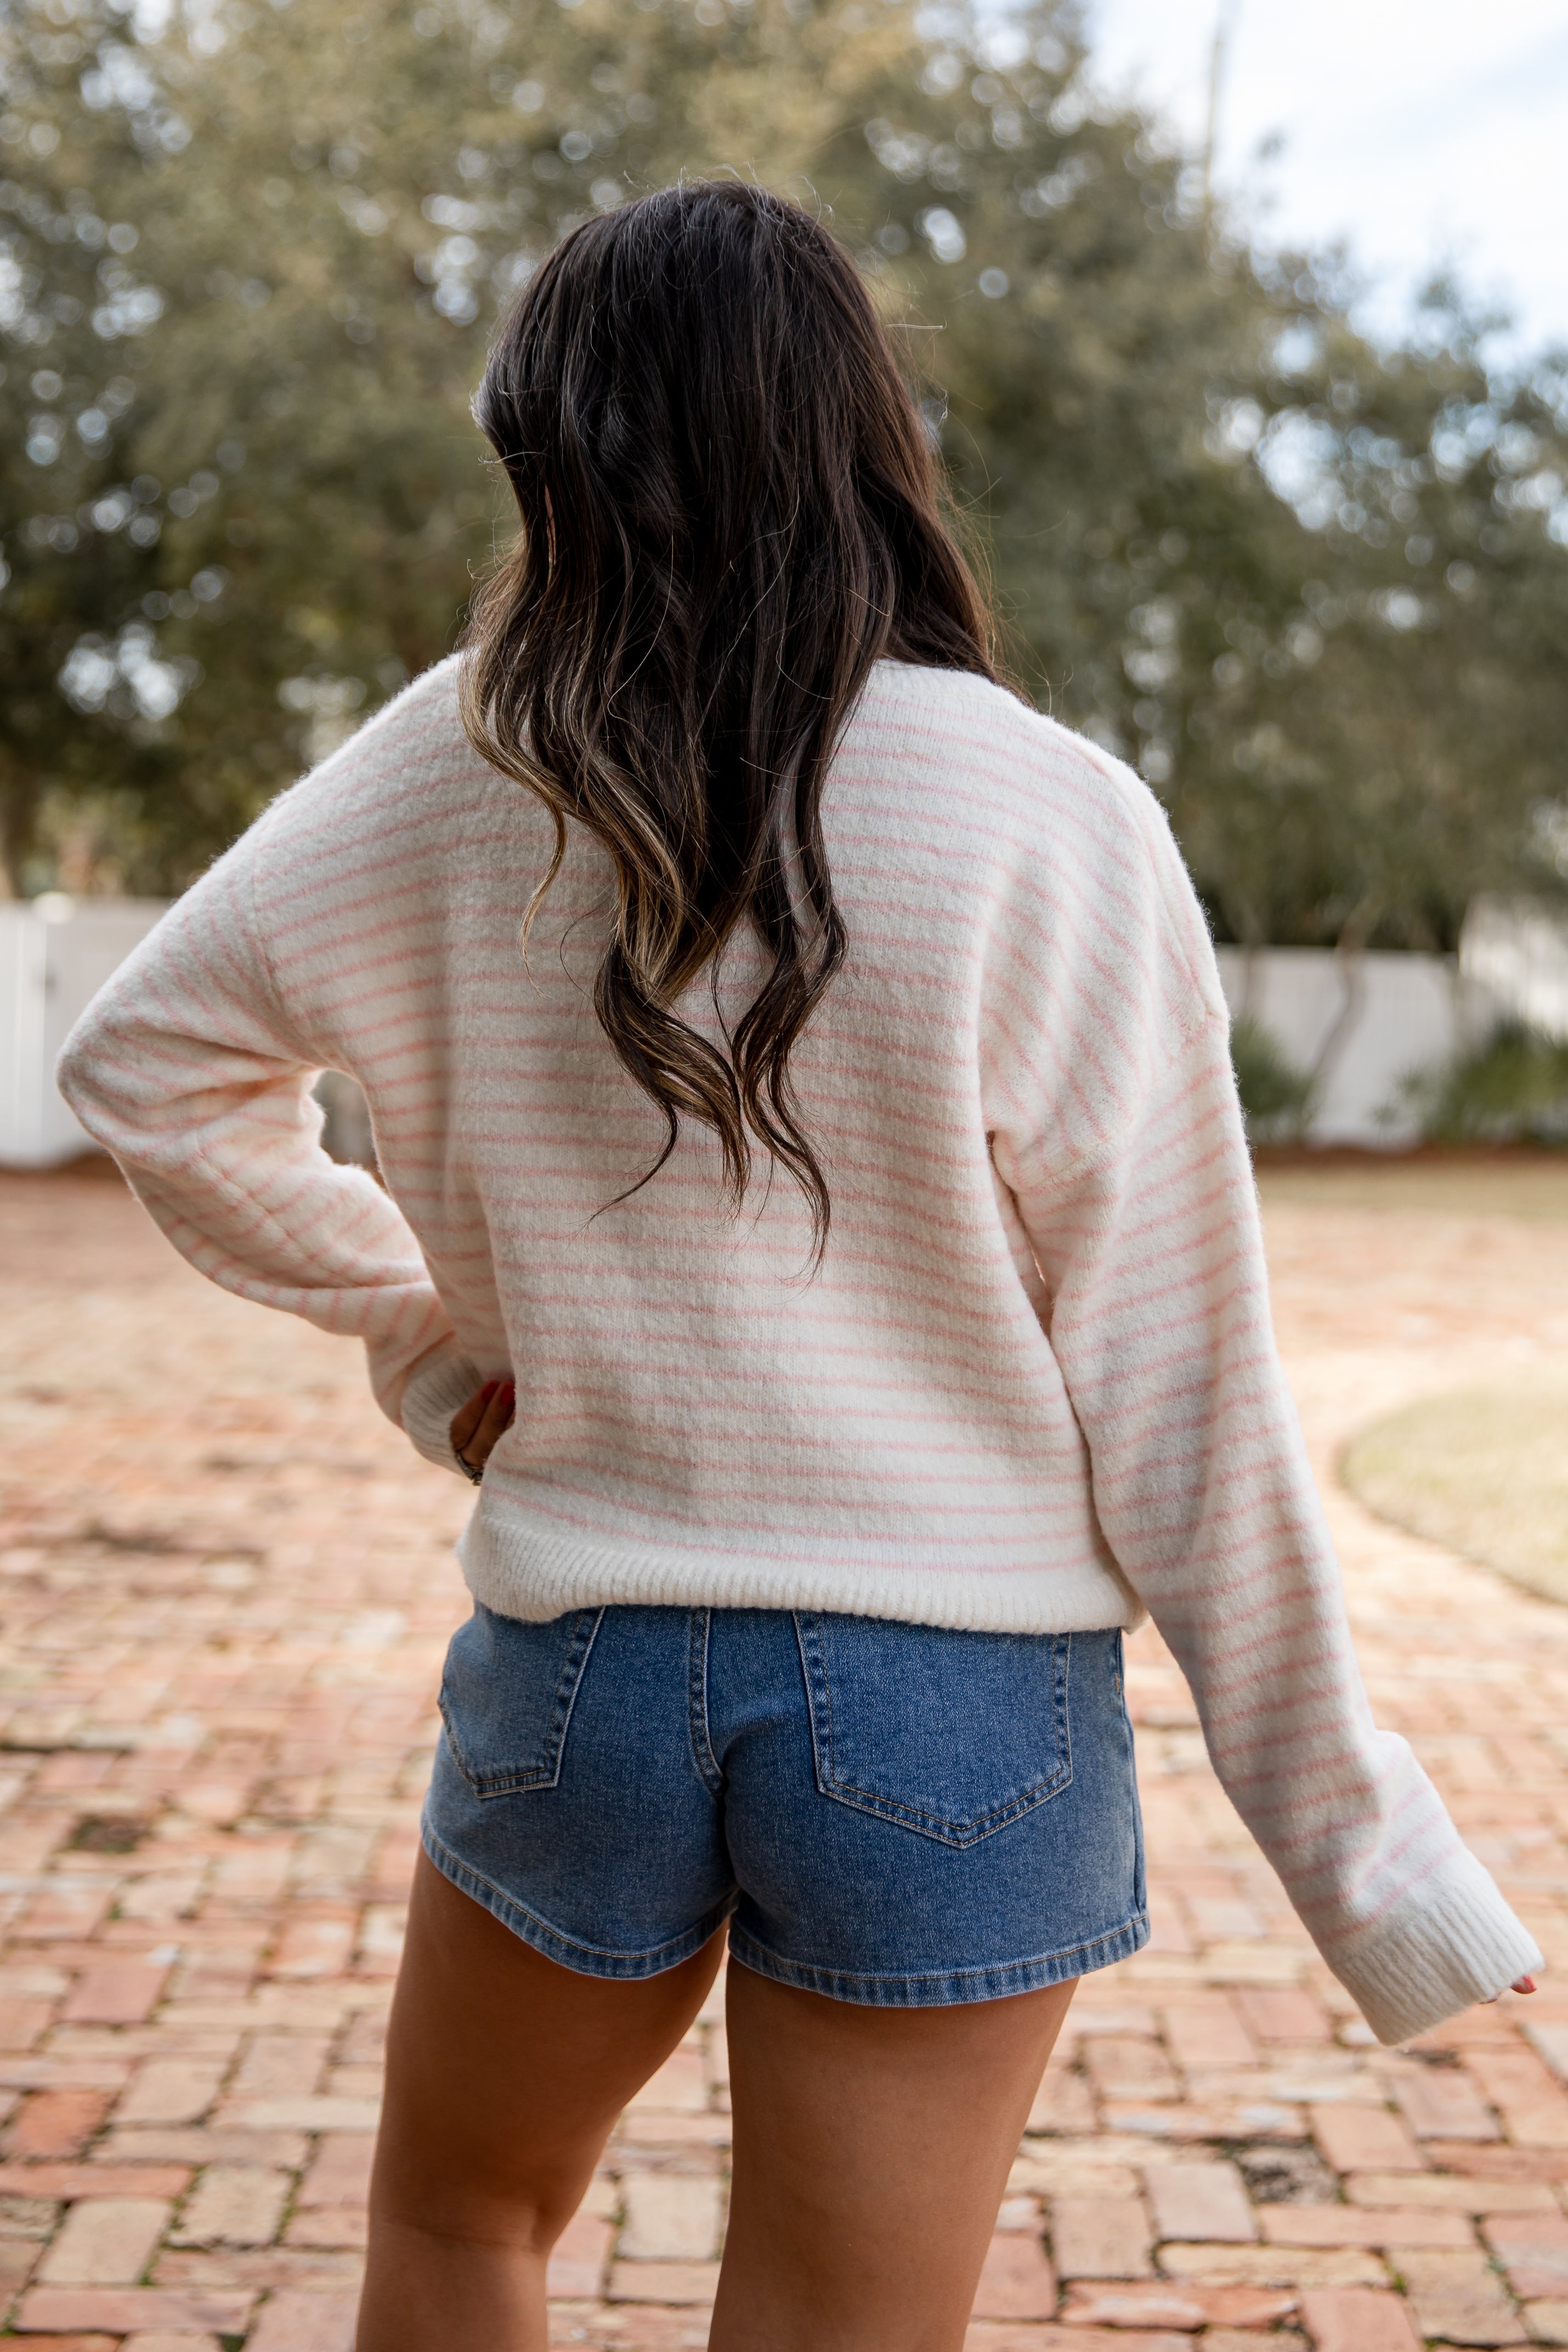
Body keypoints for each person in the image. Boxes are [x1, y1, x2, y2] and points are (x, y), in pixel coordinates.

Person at [59, 181, 1538, 2352]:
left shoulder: (458, 755)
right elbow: (1185, 1384)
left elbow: (144, 1067)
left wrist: (437, 1353)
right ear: (862, 435)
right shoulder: (1049, 814)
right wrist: (1368, 1863)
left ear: (550, 449)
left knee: (461, 2227)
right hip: (960, 1701)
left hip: (586, 1672)